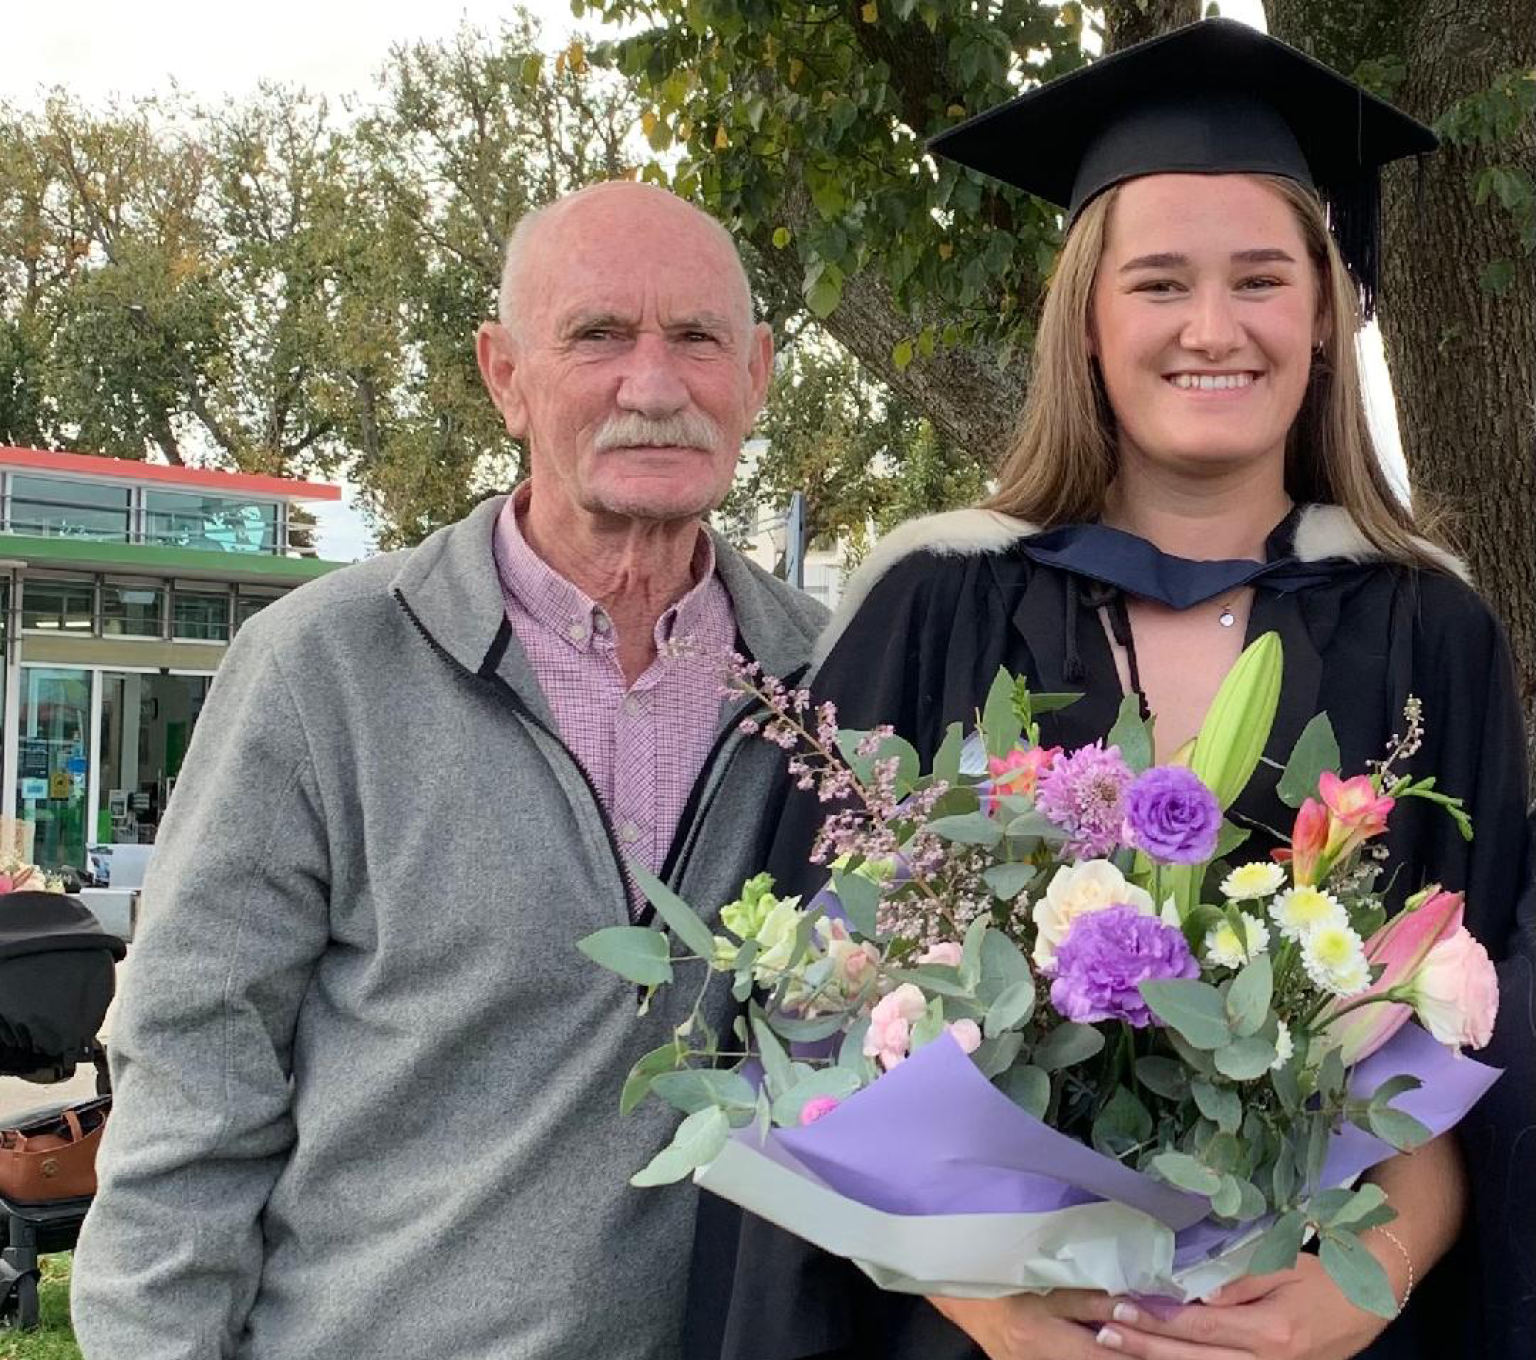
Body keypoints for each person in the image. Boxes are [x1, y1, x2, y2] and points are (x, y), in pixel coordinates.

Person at [688, 19, 1535, 1360]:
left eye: (1262, 279)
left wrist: (1368, 1275)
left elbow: (1486, 1011)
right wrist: (980, 1302)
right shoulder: (933, 605)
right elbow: (798, 1004)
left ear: (1325, 316)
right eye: (1158, 284)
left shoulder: (1428, 629)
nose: (1215, 329)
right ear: (1086, 321)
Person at [70, 180, 828, 1359]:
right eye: (596, 336)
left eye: (697, 338)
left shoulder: (835, 686)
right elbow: (191, 1080)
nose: (655, 384)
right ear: (504, 374)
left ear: (760, 373)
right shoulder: (322, 669)